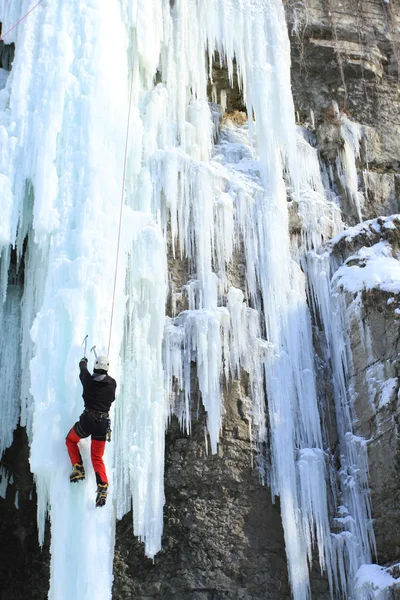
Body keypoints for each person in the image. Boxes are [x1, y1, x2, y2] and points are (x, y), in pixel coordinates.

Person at [66, 355, 117, 507]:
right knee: (96, 457)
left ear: (95, 367)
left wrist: (83, 361)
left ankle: (78, 467)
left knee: (70, 440)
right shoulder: (112, 383)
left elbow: (83, 371)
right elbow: (111, 397)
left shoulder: (88, 381)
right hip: (102, 424)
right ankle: (102, 486)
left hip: (87, 422)